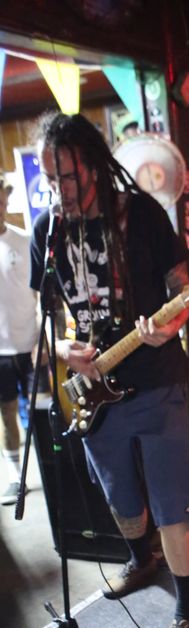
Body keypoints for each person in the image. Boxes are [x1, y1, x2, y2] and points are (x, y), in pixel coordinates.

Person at [30, 112, 189, 628]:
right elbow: (46, 320)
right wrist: (65, 351)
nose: (60, 190)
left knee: (171, 503)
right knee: (119, 495)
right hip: (93, 388)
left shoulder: (142, 215)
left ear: (94, 166)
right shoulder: (47, 232)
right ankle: (140, 559)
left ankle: (187, 611)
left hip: (155, 381)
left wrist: (168, 327)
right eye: (50, 179)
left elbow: (183, 293)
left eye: (68, 177)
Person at [0, 173, 41, 505]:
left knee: (43, 410)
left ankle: (54, 469)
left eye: (0, 202)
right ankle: (16, 478)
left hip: (30, 345)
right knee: (7, 413)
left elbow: (42, 294)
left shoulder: (25, 241)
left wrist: (45, 340)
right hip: (0, 351)